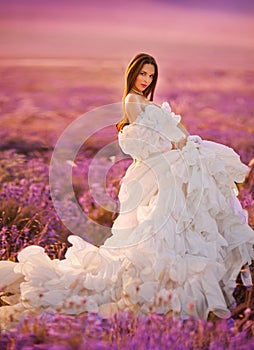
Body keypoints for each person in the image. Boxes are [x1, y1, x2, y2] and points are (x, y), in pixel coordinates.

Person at [0, 53, 253, 326]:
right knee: (162, 226)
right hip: (159, 171)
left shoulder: (146, 102)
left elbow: (171, 131)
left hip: (170, 165)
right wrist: (177, 145)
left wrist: (183, 142)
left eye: (151, 76)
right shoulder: (132, 101)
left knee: (183, 221)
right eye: (142, 74)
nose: (146, 80)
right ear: (132, 74)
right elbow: (146, 142)